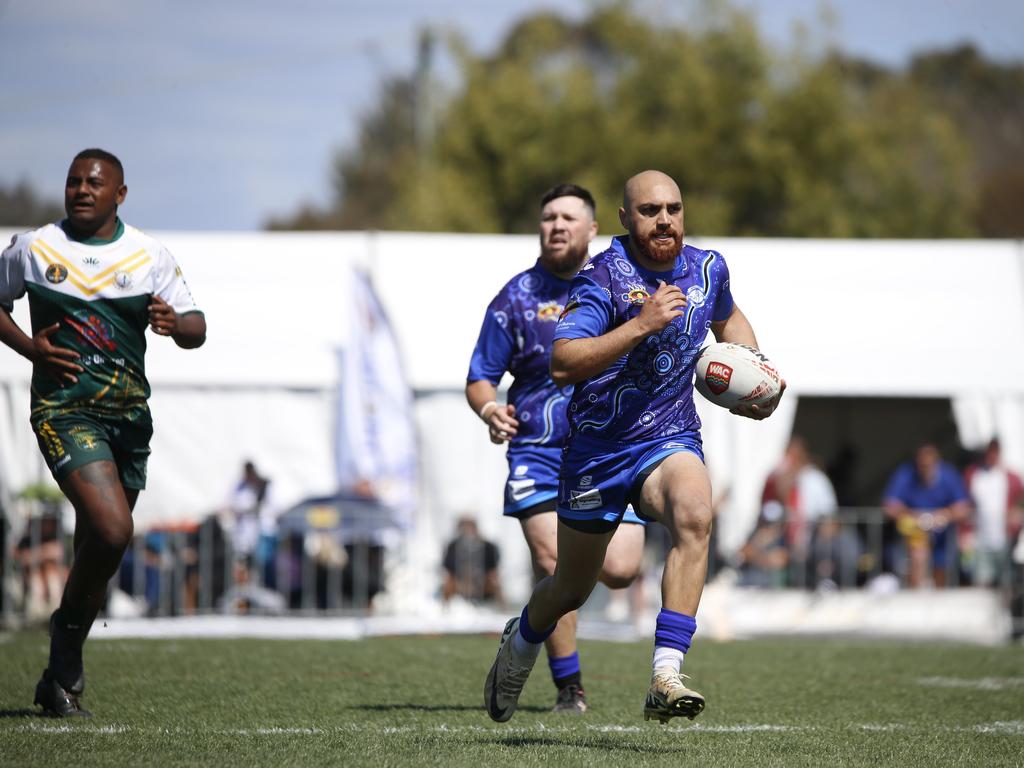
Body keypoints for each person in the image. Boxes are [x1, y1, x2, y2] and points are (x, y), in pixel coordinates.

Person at [483, 170, 784, 724]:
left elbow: (728, 317)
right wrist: (640, 325)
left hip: (669, 437)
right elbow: (563, 362)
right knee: (570, 587)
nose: (664, 219)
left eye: (673, 208)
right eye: (649, 210)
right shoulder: (602, 279)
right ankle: (521, 641)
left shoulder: (708, 268)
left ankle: (666, 675)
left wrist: (755, 370)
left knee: (695, 514)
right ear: (625, 218)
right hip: (597, 450)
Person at [0, 148, 206, 716]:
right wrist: (29, 347)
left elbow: (197, 327)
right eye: (73, 182)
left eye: (94, 183)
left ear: (120, 194)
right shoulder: (35, 247)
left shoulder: (148, 254)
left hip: (128, 420)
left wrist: (173, 324)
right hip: (64, 412)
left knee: (96, 545)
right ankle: (65, 649)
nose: (81, 190)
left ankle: (56, 682)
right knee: (115, 531)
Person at [467, 183, 647, 715]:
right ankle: (570, 687)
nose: (557, 225)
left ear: (593, 229)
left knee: (620, 570)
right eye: (548, 217)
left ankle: (523, 628)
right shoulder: (516, 297)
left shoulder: (620, 286)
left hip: (604, 451)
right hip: (538, 454)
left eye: (569, 217)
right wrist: (488, 409)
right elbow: (480, 377)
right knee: (557, 563)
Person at [883, 443, 970, 588]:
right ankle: (915, 596)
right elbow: (889, 506)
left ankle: (938, 601)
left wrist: (945, 515)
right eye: (922, 464)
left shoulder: (949, 475)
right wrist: (916, 516)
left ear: (937, 463)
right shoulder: (905, 474)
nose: (925, 468)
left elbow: (963, 507)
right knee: (918, 557)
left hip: (943, 535)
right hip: (915, 531)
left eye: (929, 465)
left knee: (942, 569)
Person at [964, 438, 1023, 587]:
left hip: (1005, 538)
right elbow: (964, 505)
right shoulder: (973, 475)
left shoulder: (1011, 477)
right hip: (980, 538)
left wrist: (1016, 513)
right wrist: (965, 531)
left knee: (1007, 581)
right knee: (982, 580)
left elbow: (1021, 501)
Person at [441, 515, 503, 605]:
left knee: (495, 582)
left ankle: (503, 609)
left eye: (470, 527)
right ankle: (445, 608)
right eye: (464, 527)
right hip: (459, 583)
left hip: (483, 583)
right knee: (448, 582)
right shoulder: (452, 546)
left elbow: (493, 570)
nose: (467, 531)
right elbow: (449, 569)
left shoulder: (488, 546)